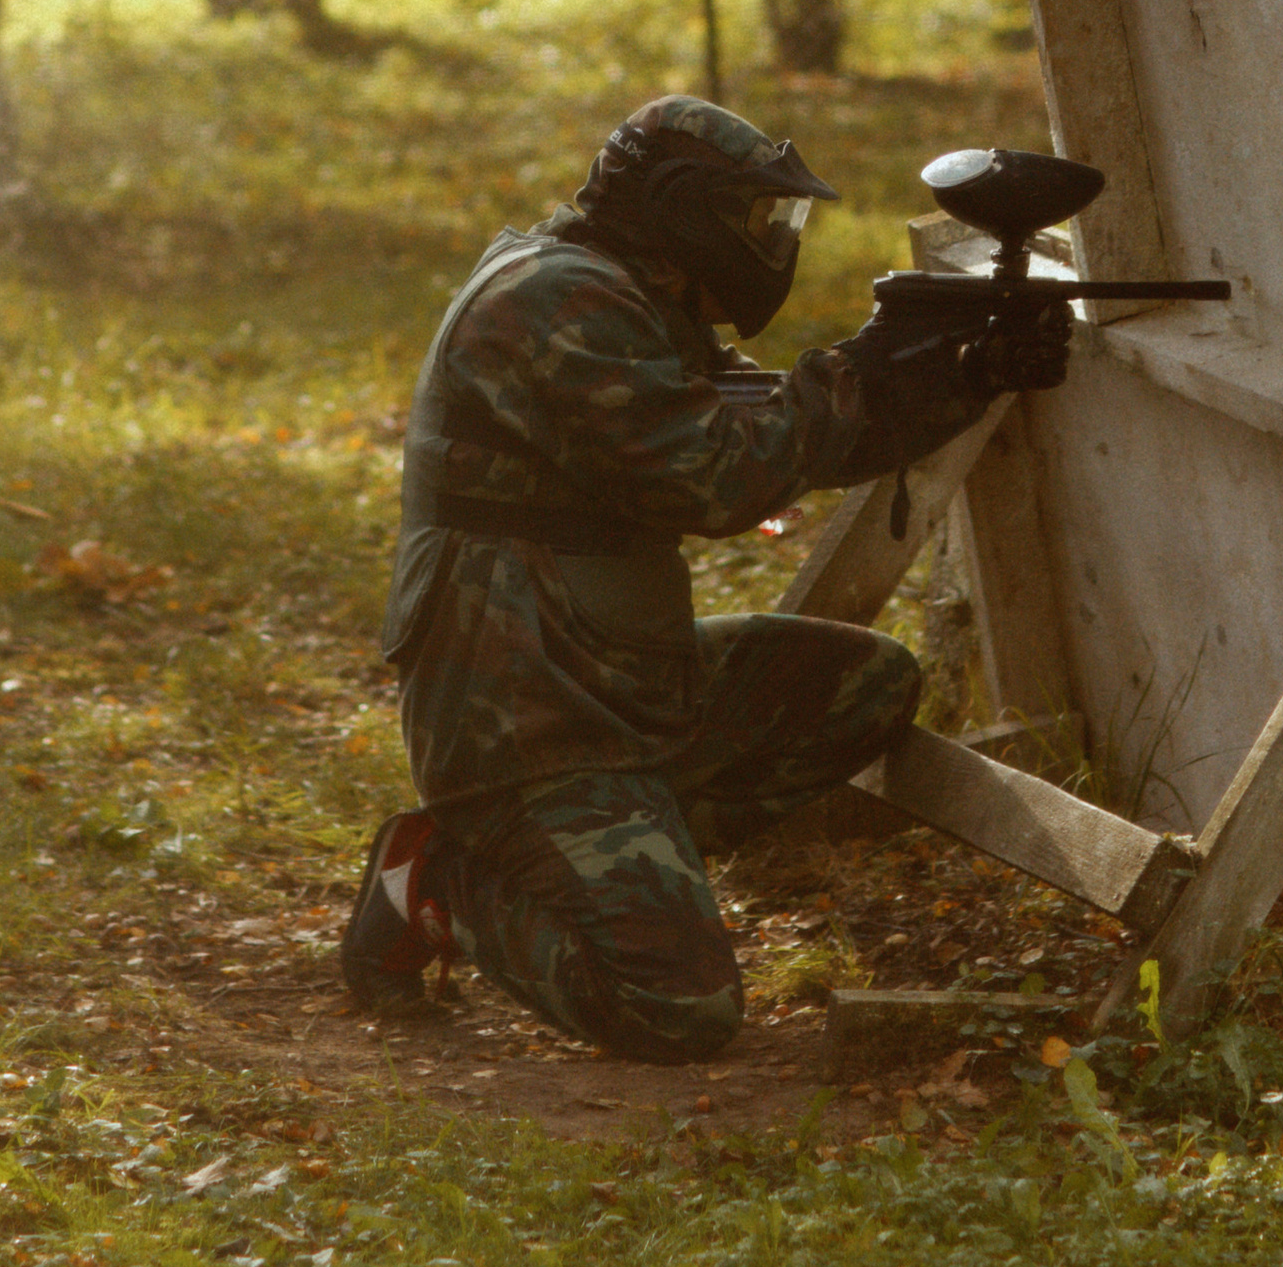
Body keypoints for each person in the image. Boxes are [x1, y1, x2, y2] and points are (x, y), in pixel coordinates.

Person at [337, 91, 1074, 1062]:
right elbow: (715, 472)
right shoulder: (556, 300)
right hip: (522, 724)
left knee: (864, 685)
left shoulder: (624, 293)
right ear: (681, 207)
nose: (767, 240)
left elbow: (755, 416)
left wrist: (955, 369)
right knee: (675, 1008)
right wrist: (866, 375)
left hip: (608, 686)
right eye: (753, 216)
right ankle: (443, 882)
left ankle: (623, 855)